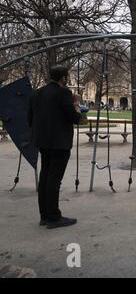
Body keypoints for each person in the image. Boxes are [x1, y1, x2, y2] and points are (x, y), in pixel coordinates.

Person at [28, 66, 81, 229]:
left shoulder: (36, 93)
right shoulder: (63, 93)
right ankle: (54, 217)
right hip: (60, 143)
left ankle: (44, 215)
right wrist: (77, 103)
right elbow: (75, 118)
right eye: (67, 77)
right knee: (54, 179)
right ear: (63, 78)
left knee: (45, 176)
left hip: (43, 142)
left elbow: (30, 118)